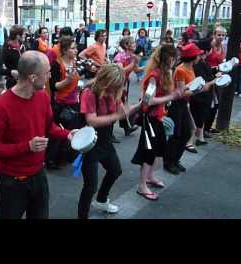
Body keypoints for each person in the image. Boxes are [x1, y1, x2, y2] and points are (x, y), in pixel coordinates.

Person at [0, 51, 76, 219]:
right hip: (11, 181)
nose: (50, 76)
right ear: (33, 77)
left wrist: (68, 134)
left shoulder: (42, 97)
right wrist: (27, 146)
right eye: (47, 72)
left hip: (38, 175)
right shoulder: (0, 107)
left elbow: (49, 127)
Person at [78, 64, 139, 218]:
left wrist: (140, 105)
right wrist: (116, 116)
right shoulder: (89, 92)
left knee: (115, 170)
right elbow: (91, 120)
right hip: (90, 144)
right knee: (90, 186)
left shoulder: (113, 91)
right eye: (113, 87)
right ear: (105, 81)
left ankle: (101, 200)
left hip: (105, 141)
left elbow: (121, 112)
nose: (115, 91)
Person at [131, 45, 183, 200]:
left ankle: (149, 177)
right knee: (149, 152)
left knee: (158, 150)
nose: (174, 61)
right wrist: (170, 97)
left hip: (158, 117)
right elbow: (147, 100)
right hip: (150, 118)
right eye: (172, 58)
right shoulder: (155, 75)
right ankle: (142, 186)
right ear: (166, 59)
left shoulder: (165, 73)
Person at [165, 43, 214, 174]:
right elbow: (182, 92)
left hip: (183, 104)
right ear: (193, 57)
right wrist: (200, 89)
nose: (200, 56)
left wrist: (204, 86)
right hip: (176, 104)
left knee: (186, 132)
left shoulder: (191, 67)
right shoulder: (181, 70)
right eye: (198, 54)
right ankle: (169, 162)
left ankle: (175, 160)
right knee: (176, 134)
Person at [47, 36, 82, 169]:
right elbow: (54, 86)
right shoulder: (56, 64)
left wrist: (78, 85)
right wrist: (67, 81)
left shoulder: (75, 62)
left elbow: (76, 80)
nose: (76, 50)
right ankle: (51, 160)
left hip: (74, 101)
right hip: (61, 104)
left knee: (71, 131)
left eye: (75, 48)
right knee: (58, 132)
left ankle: (64, 156)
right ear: (65, 50)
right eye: (73, 48)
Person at [114, 36, 142, 136]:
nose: (135, 45)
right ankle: (109, 132)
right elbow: (120, 71)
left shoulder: (132, 56)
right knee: (116, 106)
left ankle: (127, 127)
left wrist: (150, 66)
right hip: (117, 84)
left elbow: (137, 70)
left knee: (123, 104)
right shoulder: (120, 56)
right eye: (133, 43)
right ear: (126, 45)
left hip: (125, 84)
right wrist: (133, 63)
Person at [190, 38, 215, 147]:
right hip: (201, 95)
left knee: (200, 116)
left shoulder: (201, 62)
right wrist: (214, 80)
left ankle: (199, 137)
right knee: (199, 117)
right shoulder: (199, 63)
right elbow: (203, 81)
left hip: (201, 95)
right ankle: (192, 140)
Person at [204, 26, 227, 136]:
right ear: (214, 35)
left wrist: (222, 70)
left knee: (216, 104)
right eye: (219, 34)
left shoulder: (223, 47)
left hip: (217, 78)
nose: (221, 37)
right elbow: (203, 62)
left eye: (223, 35)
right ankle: (203, 128)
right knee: (209, 104)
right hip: (208, 77)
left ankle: (208, 127)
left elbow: (222, 63)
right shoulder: (210, 46)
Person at [0, 25, 25, 89]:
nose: (25, 35)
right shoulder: (5, 49)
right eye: (24, 34)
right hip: (12, 84)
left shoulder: (23, 46)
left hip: (24, 82)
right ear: (18, 36)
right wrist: (11, 72)